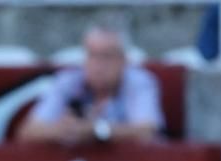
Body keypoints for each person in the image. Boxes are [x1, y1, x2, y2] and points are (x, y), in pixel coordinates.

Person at [17, 22, 164, 145]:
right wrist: (62, 130)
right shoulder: (68, 82)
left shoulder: (139, 82)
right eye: (92, 55)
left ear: (124, 60)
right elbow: (27, 132)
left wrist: (96, 130)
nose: (98, 65)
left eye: (107, 56)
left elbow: (147, 133)